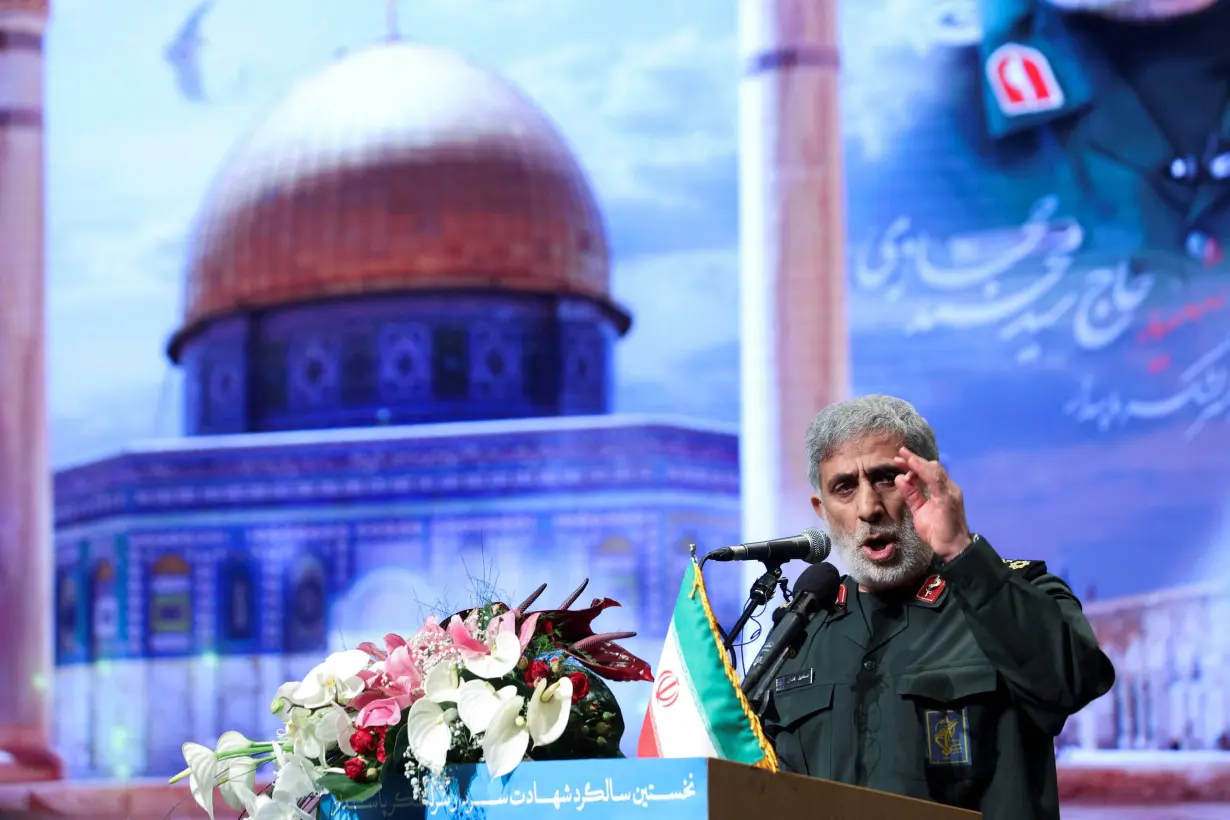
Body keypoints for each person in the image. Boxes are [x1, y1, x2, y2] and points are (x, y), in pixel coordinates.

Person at [760, 394, 1116, 820]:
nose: (868, 507)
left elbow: (1073, 682)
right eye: (844, 487)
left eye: (887, 478)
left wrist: (961, 552)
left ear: (929, 485)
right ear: (822, 510)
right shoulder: (802, 632)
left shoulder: (1015, 591)